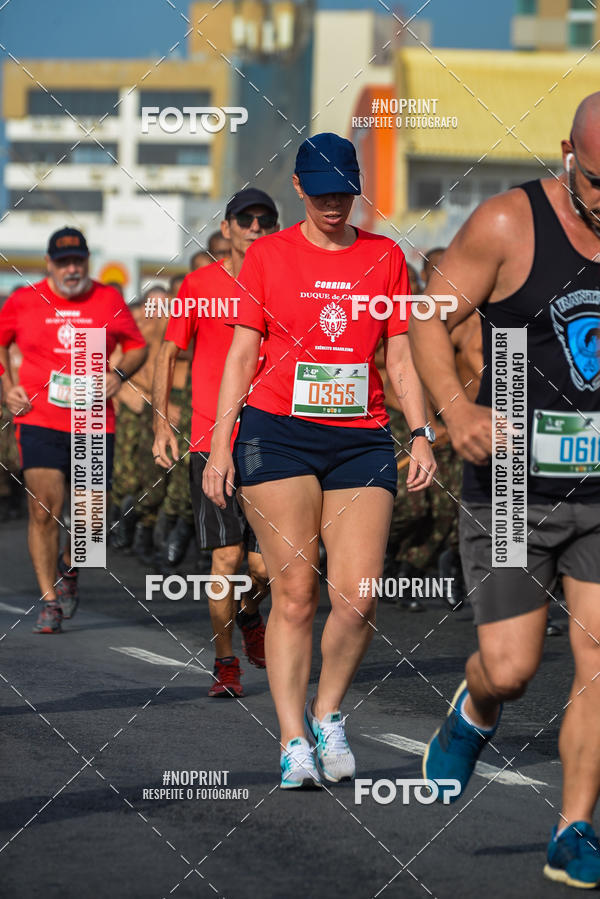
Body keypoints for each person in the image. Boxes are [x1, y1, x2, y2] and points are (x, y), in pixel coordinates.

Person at [203, 133, 436, 789]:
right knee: (298, 592)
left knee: (358, 598)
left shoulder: (385, 257)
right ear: (299, 188)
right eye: (322, 190)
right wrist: (220, 446)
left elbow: (397, 356)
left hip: (360, 437)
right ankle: (292, 737)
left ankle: (328, 711)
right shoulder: (269, 257)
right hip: (277, 434)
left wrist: (421, 432)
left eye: (344, 190)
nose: (334, 203)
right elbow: (242, 357)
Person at [410, 93, 600, 888]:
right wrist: (455, 408)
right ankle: (476, 708)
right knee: (514, 666)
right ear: (568, 155)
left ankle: (575, 827)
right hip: (515, 485)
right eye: (599, 182)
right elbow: (424, 315)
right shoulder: (506, 224)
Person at [153, 188, 277, 697]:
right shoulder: (199, 285)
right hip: (209, 440)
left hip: (273, 437)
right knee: (226, 560)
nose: (254, 226)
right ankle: (225, 661)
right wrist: (163, 423)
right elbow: (168, 354)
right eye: (244, 219)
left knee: (268, 564)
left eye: (264, 220)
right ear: (226, 228)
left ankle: (251, 610)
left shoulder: (284, 285)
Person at [0, 227, 147, 633]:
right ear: (48, 263)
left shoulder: (107, 299)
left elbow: (137, 346)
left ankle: (71, 565)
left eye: (78, 261)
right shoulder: (23, 301)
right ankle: (49, 601)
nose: (71, 269)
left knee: (91, 522)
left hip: (93, 419)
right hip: (40, 418)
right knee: (43, 508)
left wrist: (118, 374)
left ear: (87, 262)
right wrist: (7, 385)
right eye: (63, 262)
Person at [111, 285, 169, 563]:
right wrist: (125, 393)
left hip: (157, 408)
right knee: (127, 472)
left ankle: (139, 530)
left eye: (164, 304)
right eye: (154, 304)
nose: (158, 310)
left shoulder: (170, 329)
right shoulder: (134, 329)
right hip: (133, 407)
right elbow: (113, 369)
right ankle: (120, 527)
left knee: (154, 475)